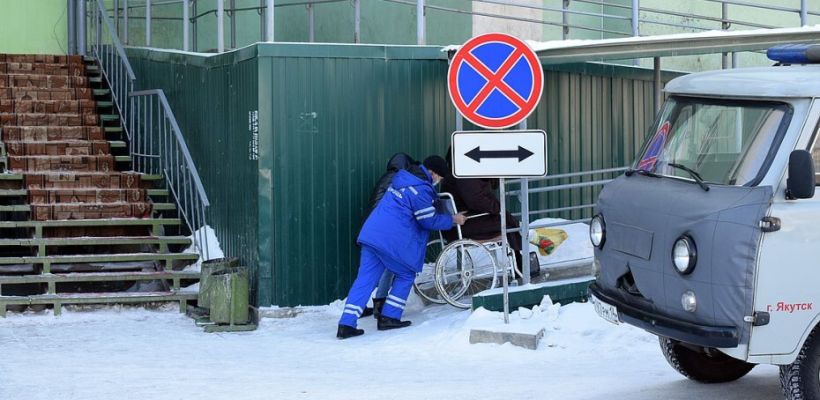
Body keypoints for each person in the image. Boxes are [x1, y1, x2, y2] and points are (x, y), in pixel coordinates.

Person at [337, 156, 466, 339]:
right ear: (433, 173)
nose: (439, 181)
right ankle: (389, 316)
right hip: (390, 241)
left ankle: (346, 324)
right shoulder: (421, 189)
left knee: (364, 280)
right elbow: (427, 220)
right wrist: (453, 219)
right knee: (406, 274)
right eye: (440, 177)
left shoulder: (402, 179)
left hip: (372, 235)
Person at [441, 150, 540, 278]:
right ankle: (520, 264)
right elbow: (476, 200)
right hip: (463, 225)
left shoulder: (456, 174)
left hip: (458, 224)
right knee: (505, 223)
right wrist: (497, 208)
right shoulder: (463, 175)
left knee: (505, 220)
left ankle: (520, 261)